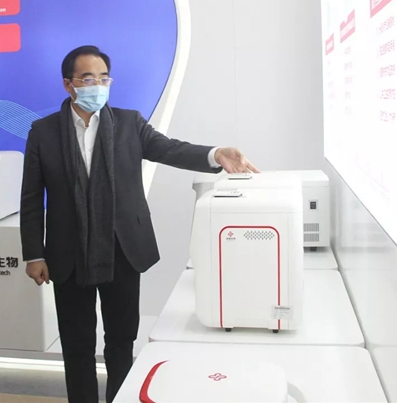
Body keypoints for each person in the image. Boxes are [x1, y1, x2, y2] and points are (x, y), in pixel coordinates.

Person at [20, 46, 259, 403]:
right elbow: (30, 197)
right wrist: (34, 254)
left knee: (121, 340)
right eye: (88, 79)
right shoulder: (43, 131)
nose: (97, 86)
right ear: (69, 84)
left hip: (122, 248)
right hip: (68, 252)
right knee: (76, 342)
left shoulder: (129, 123)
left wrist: (215, 154)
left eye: (104, 79)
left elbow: (170, 149)